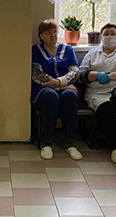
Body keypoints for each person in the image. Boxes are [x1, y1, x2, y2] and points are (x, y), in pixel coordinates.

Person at [78, 23, 116, 165]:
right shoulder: (92, 53)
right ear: (101, 37)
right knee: (105, 109)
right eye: (106, 34)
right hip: (99, 90)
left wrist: (109, 76)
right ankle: (115, 147)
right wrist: (97, 75)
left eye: (113, 34)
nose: (109, 37)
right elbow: (81, 74)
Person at [31, 19, 83, 161]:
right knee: (50, 96)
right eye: (48, 33)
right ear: (41, 35)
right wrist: (60, 85)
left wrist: (60, 82)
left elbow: (74, 71)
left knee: (70, 96)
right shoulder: (36, 50)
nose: (53, 35)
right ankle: (47, 143)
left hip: (65, 86)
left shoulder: (68, 49)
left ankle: (70, 143)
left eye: (55, 32)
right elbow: (37, 74)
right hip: (43, 88)